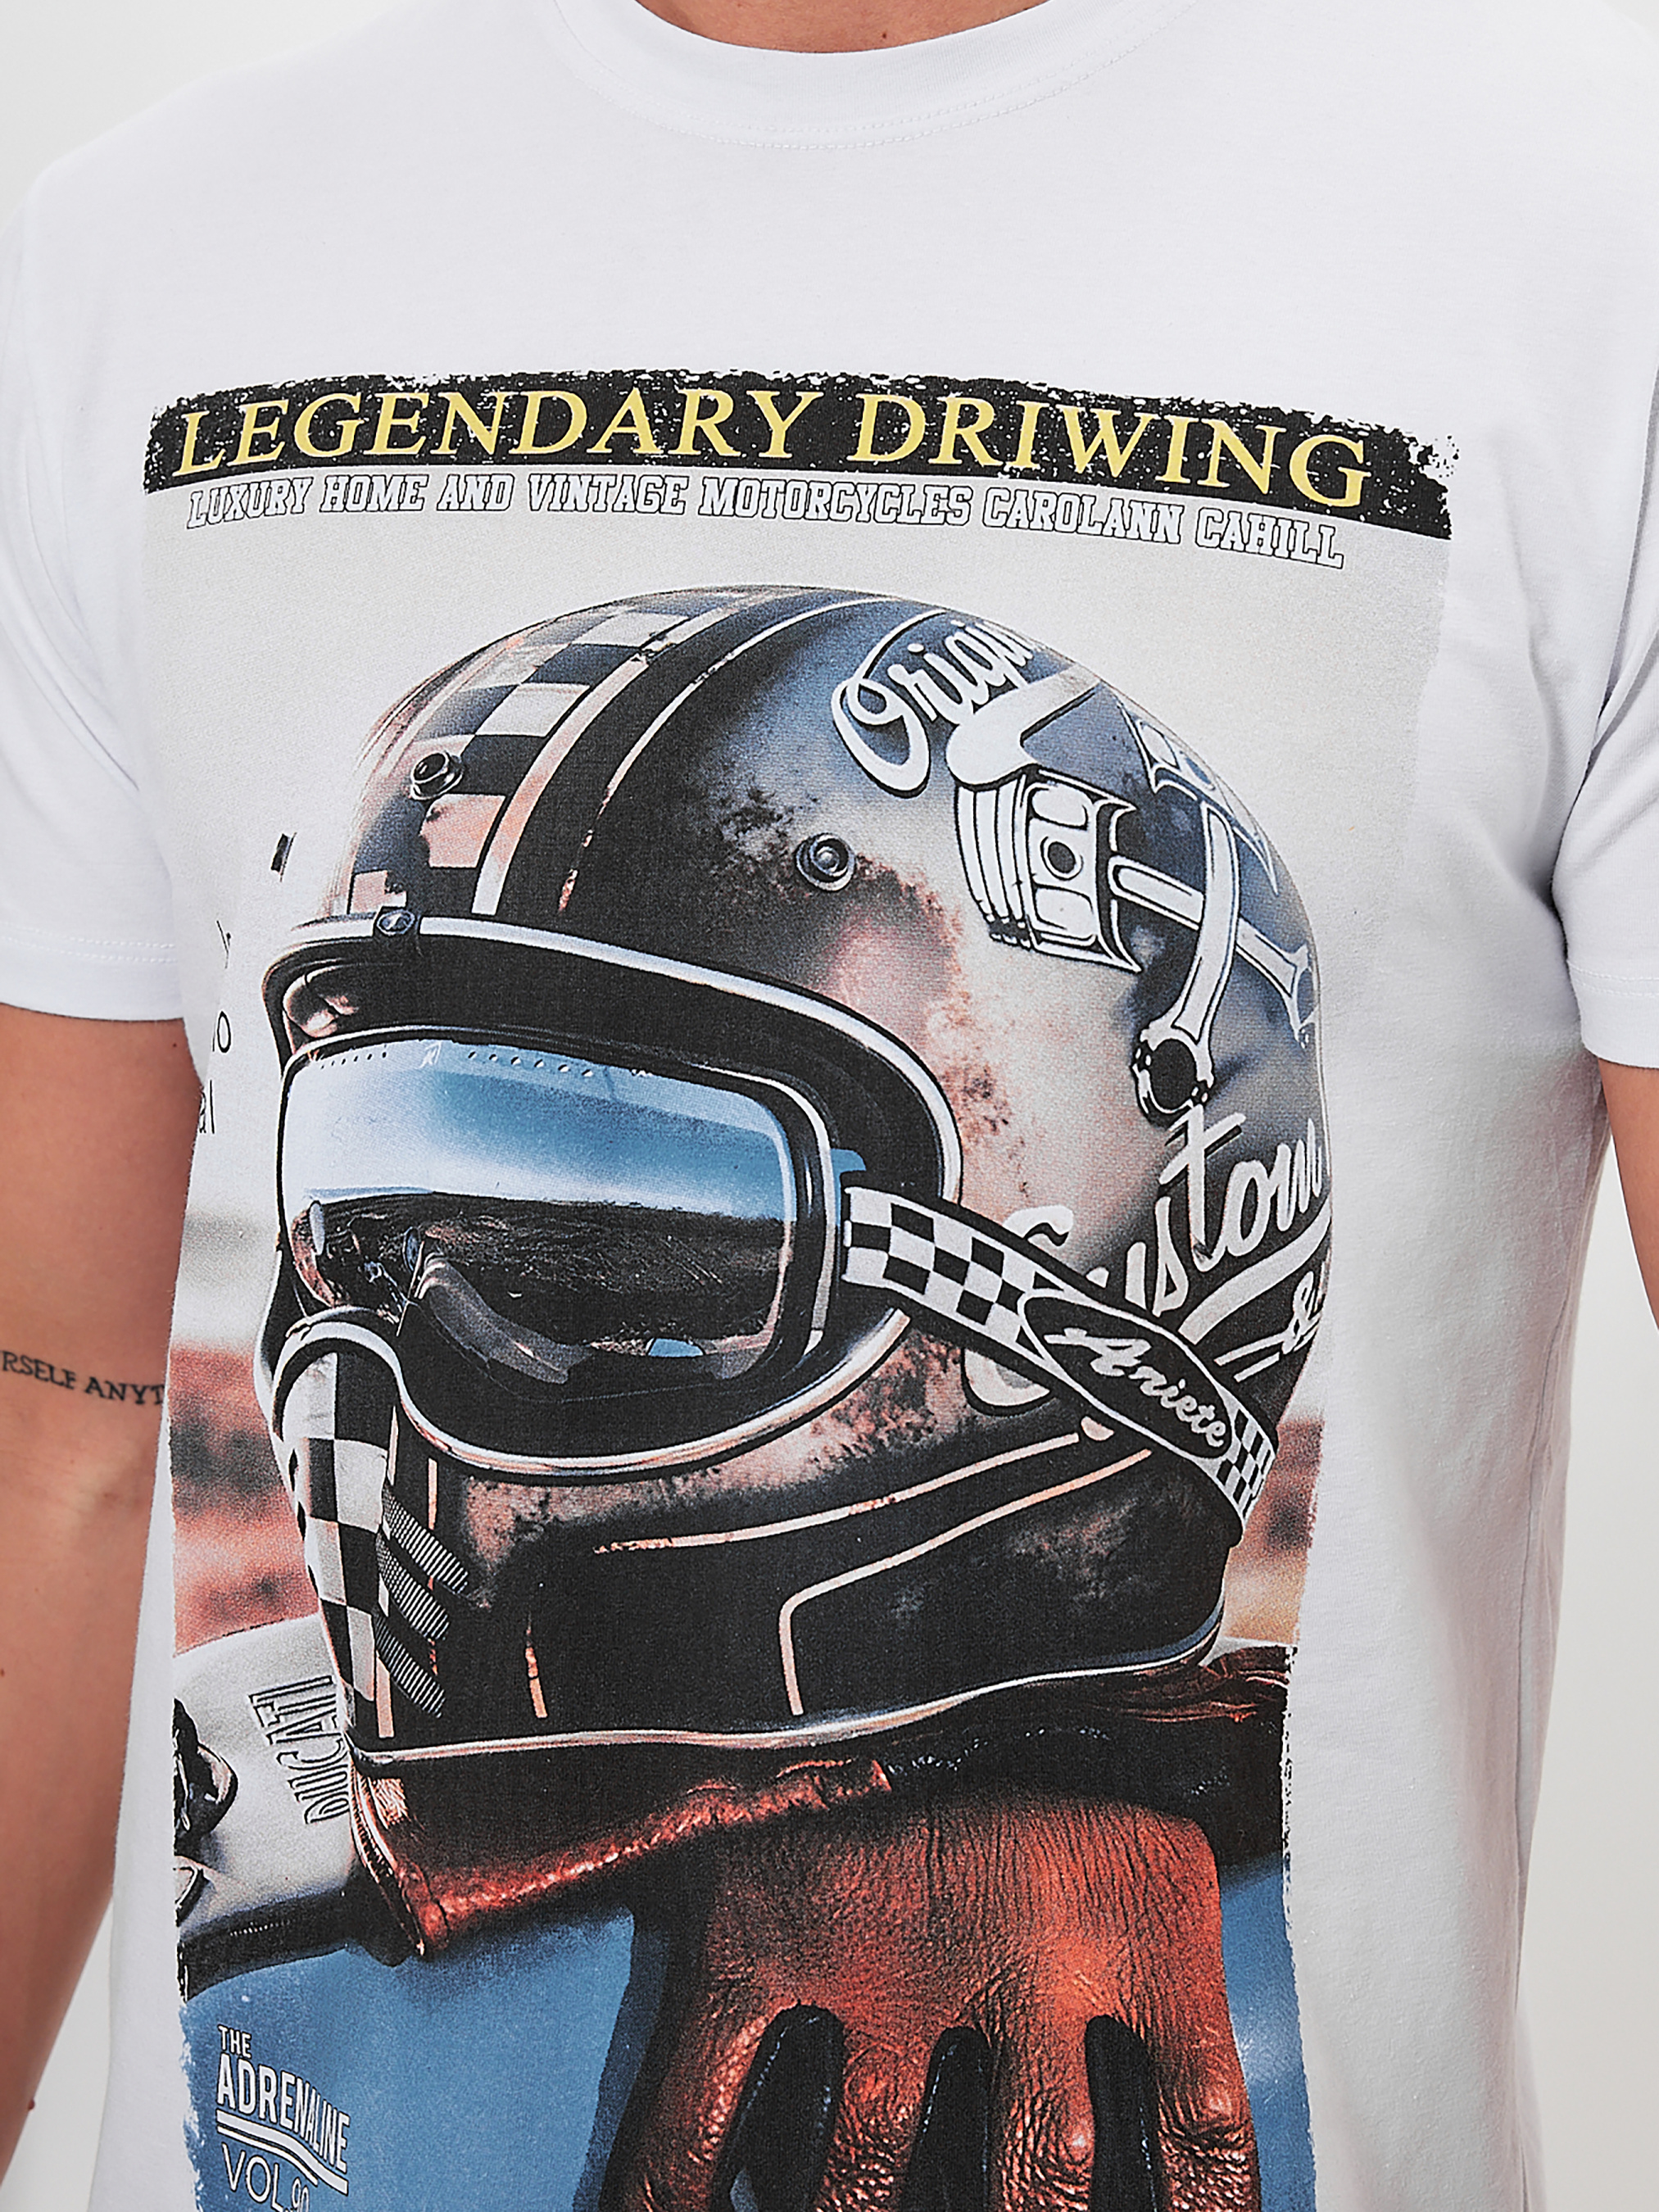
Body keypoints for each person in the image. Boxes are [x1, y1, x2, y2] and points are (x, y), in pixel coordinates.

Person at [2, 0, 1658, 2206]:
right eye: (370, 1228)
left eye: (603, 1253)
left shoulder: (1572, 254)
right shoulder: (141, 258)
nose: (365, 1394)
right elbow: (56, 1446)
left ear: (1099, 1288)